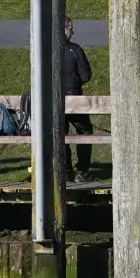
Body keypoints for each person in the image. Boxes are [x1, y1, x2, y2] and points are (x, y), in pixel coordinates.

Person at [60, 17, 96, 182]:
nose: (72, 32)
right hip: (73, 99)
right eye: (70, 28)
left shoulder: (45, 49)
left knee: (61, 133)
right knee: (85, 131)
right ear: (64, 29)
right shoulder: (74, 50)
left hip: (54, 102)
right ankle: (82, 171)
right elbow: (86, 75)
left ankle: (65, 169)